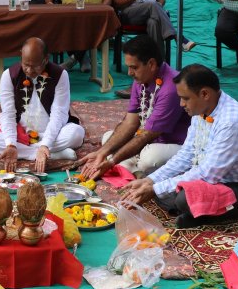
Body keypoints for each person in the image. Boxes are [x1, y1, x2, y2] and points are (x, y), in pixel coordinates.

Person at [121, 64, 238, 228]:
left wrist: (155, 189)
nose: (181, 104)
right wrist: (150, 181)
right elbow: (187, 154)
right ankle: (193, 208)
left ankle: (196, 213)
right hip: (223, 180)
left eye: (185, 98)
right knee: (154, 175)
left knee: (183, 198)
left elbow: (207, 174)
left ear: (204, 94)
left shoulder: (232, 122)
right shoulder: (202, 110)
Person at [77, 35, 190, 180]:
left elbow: (146, 136)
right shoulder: (142, 79)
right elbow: (130, 123)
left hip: (173, 143)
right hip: (148, 139)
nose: (129, 73)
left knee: (149, 158)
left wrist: (111, 161)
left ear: (151, 64)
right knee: (107, 139)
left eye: (134, 68)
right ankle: (135, 171)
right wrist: (102, 153)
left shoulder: (170, 88)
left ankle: (134, 169)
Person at [0, 38, 85, 173]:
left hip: (52, 134)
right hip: (22, 135)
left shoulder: (60, 75)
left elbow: (59, 114)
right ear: (21, 56)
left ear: (46, 59)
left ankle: (41, 151)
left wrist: (46, 144)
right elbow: (8, 113)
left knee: (77, 134)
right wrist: (11, 144)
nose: (29, 70)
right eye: (26, 64)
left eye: (35, 66)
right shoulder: (9, 75)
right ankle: (49, 154)